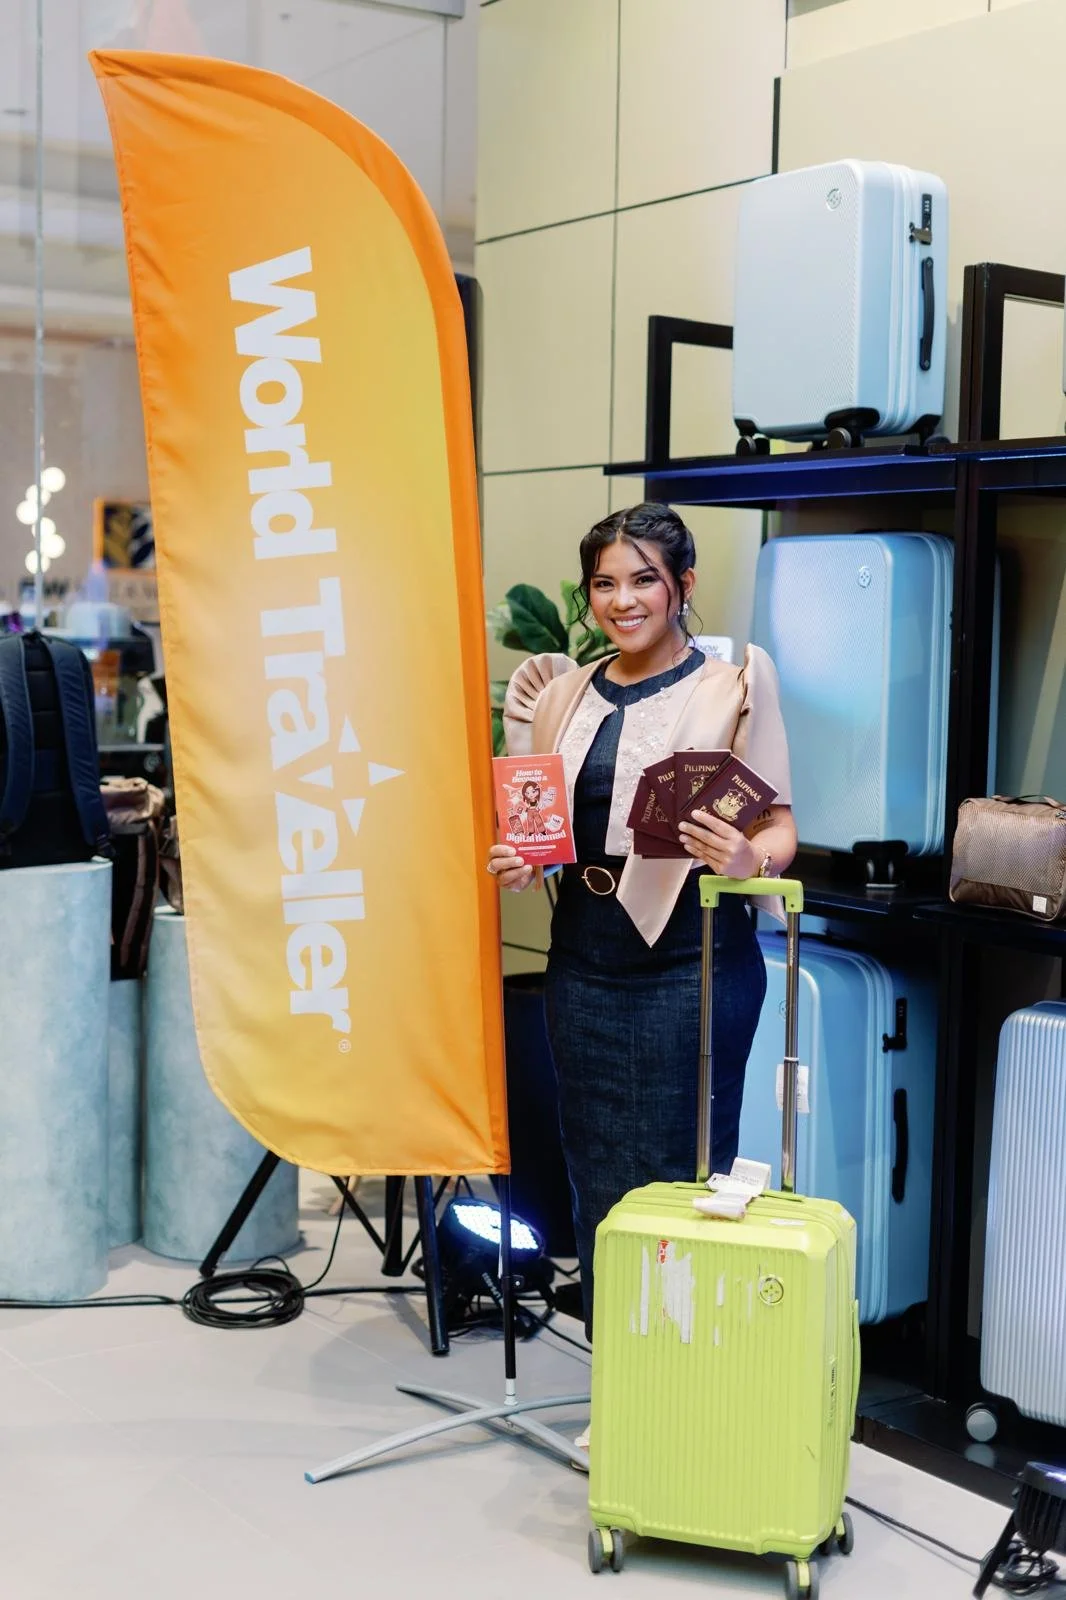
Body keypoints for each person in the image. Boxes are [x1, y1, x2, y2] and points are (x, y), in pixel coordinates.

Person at [487, 503, 796, 1346]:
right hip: (582, 961)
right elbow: (540, 832)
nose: (623, 600)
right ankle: (620, 1385)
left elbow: (780, 829)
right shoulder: (564, 694)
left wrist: (747, 860)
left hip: (693, 963)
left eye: (643, 580)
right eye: (605, 584)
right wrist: (523, 861)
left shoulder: (731, 685)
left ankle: (685, 1383)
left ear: (682, 585)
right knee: (597, 1175)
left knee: (684, 1178)